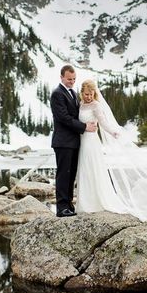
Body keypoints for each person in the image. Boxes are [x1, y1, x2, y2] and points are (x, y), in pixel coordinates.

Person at [76, 79, 147, 221]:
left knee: (93, 169)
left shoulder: (96, 105)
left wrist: (113, 132)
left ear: (94, 93)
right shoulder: (81, 105)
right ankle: (84, 204)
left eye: (90, 94)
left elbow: (104, 122)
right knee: (84, 170)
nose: (88, 96)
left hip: (92, 142)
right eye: (86, 94)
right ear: (82, 93)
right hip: (82, 142)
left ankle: (96, 203)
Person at [50, 65, 96, 217]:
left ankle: (69, 205)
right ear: (61, 77)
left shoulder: (73, 93)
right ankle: (61, 208)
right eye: (69, 79)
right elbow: (63, 118)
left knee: (71, 175)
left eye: (74, 79)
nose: (72, 82)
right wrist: (84, 127)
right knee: (63, 174)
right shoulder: (57, 94)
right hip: (63, 142)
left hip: (74, 142)